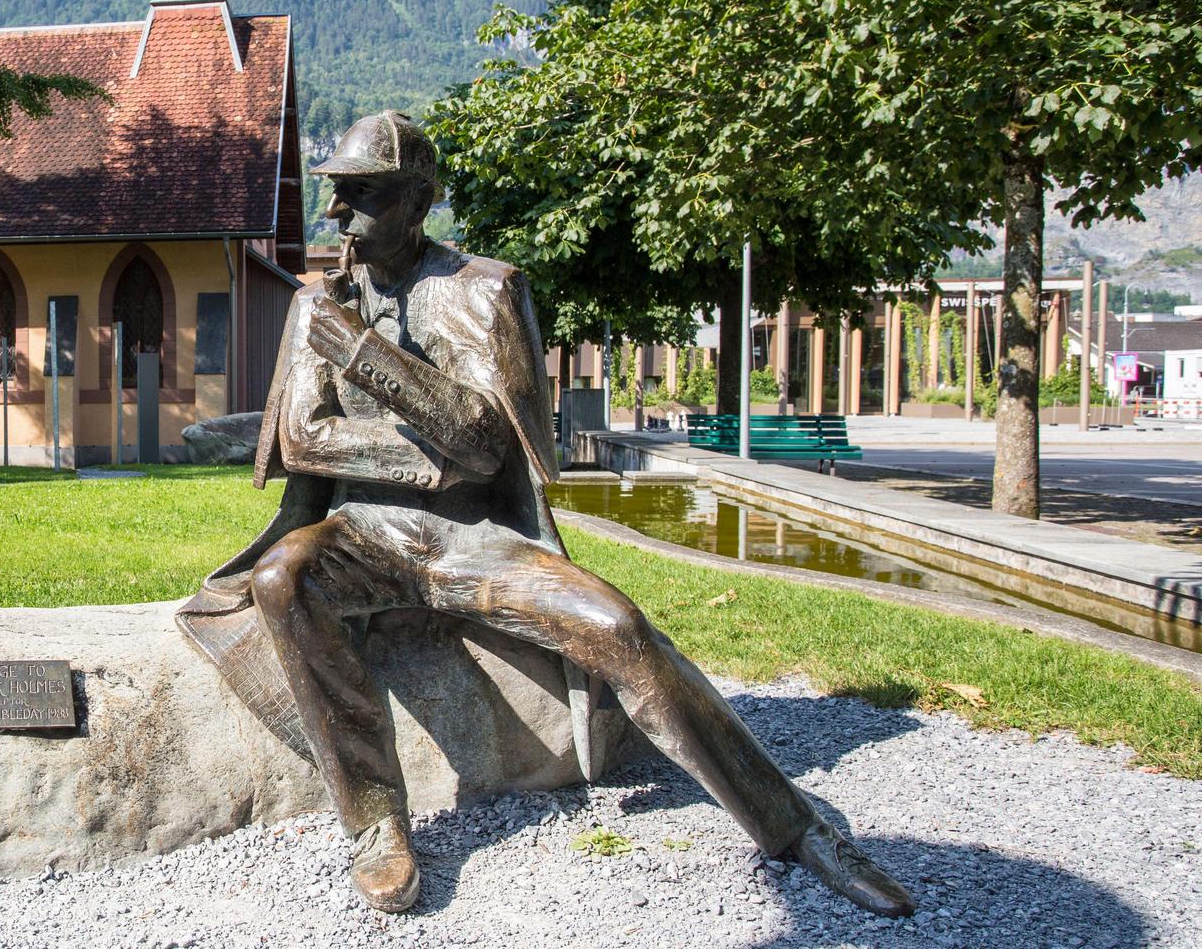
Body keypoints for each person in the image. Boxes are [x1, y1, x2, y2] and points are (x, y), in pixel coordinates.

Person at [177, 111, 916, 917]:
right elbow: (301, 439)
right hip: (366, 534)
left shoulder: (485, 290)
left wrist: (364, 354)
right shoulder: (315, 302)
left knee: (619, 628)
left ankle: (796, 829)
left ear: (419, 200)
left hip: (479, 541)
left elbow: (489, 446)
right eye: (335, 195)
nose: (337, 218)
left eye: (361, 195)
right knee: (285, 577)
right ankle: (376, 821)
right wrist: (429, 453)